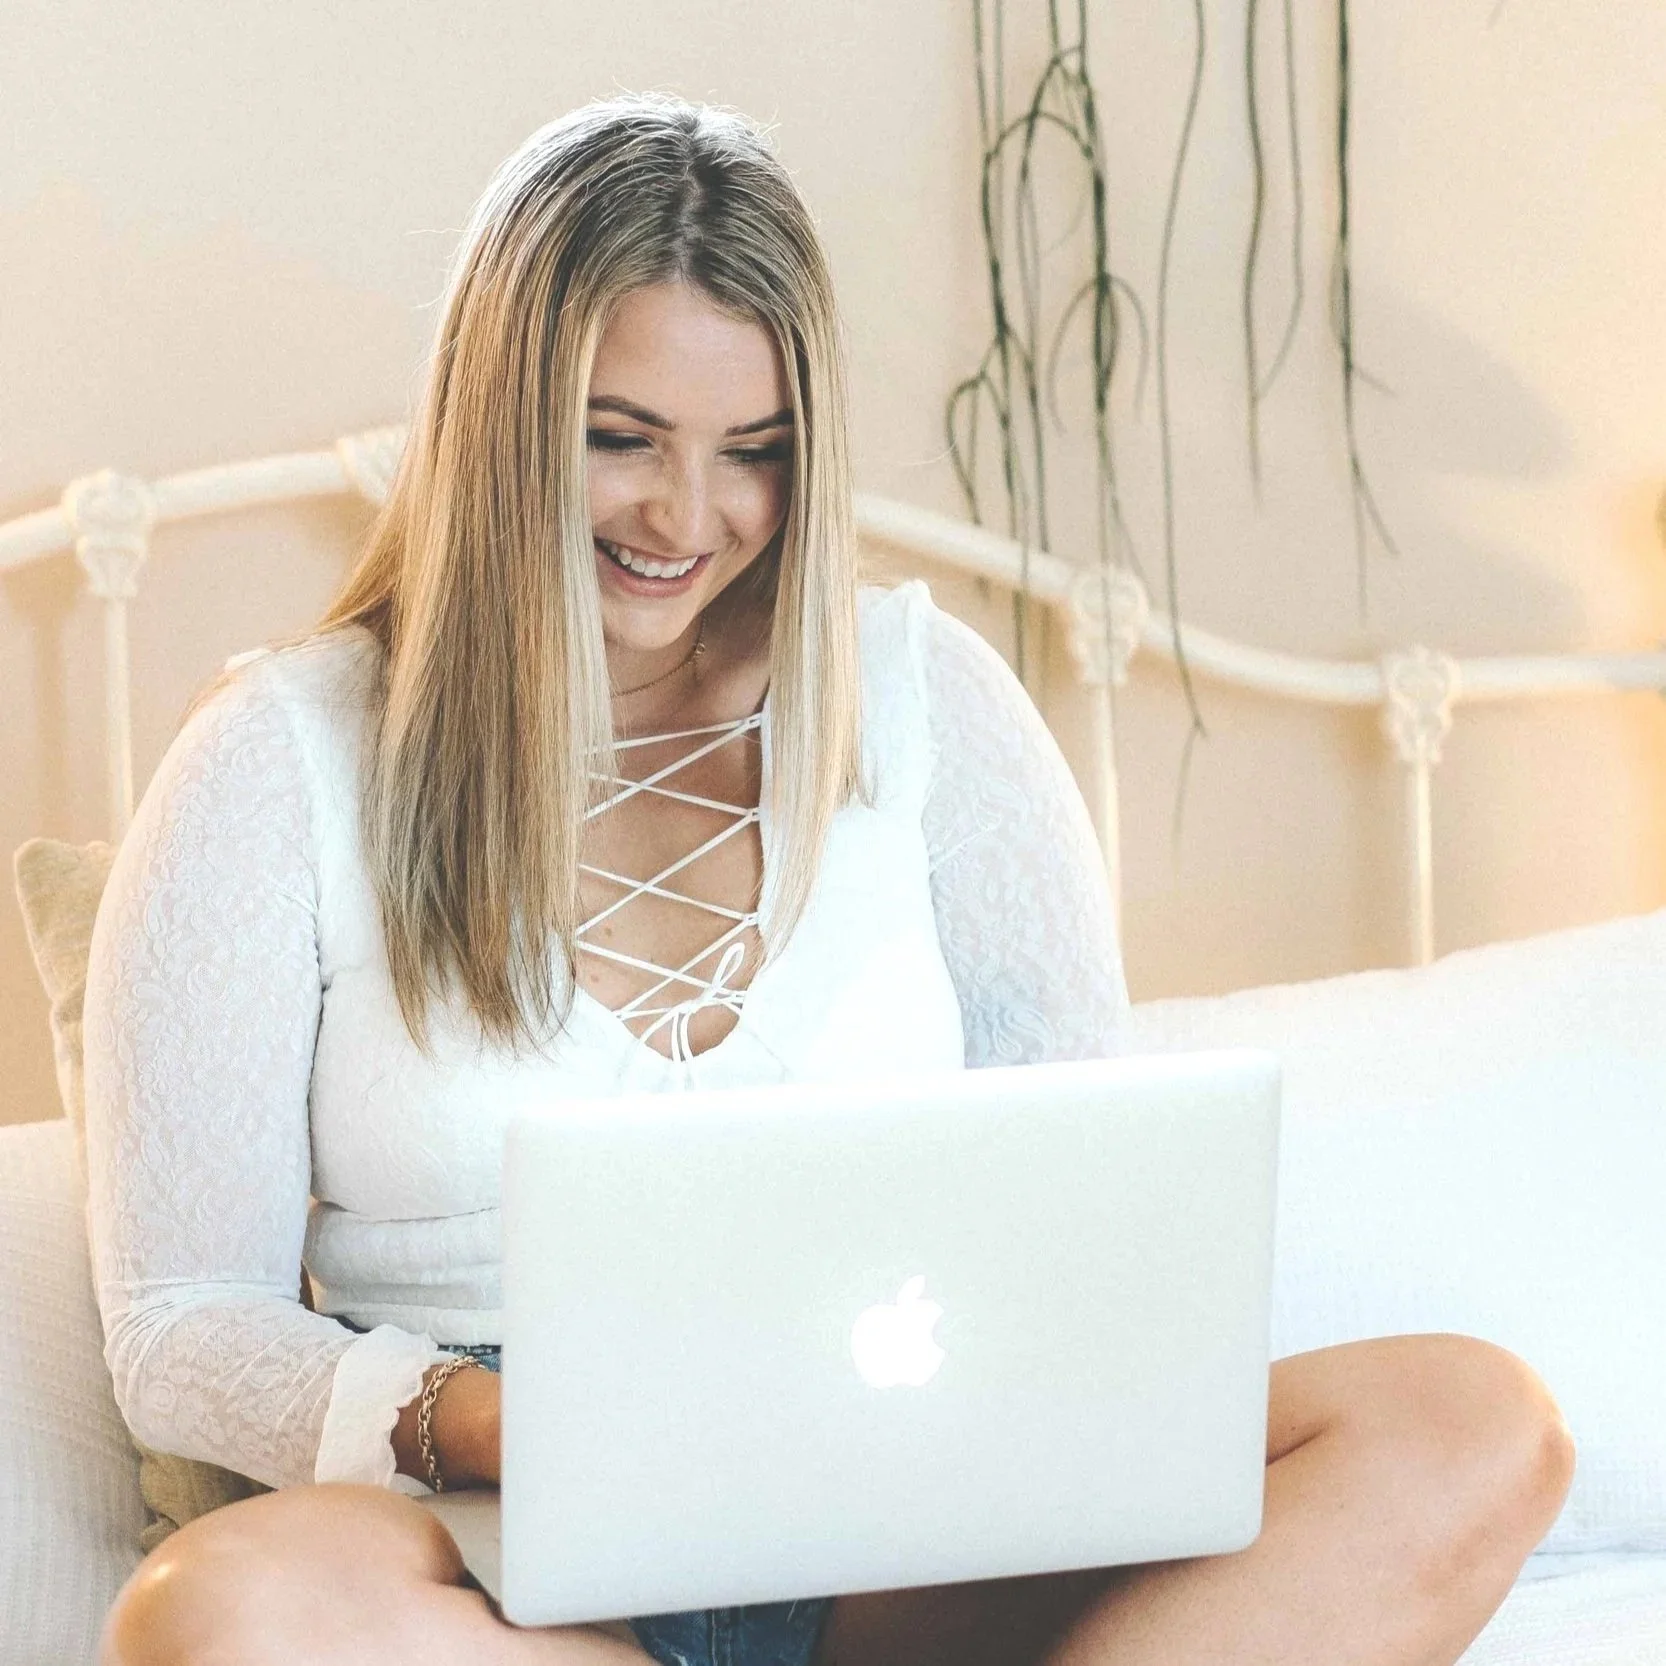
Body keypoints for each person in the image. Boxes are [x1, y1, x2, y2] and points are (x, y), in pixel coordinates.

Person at [86, 94, 1572, 1666]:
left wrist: (957, 1415)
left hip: (905, 1504)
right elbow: (181, 1318)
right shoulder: (281, 756)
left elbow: (1078, 1200)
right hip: (499, 1528)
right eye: (619, 437)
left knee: (1474, 1420)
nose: (687, 516)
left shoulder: (933, 706)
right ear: (496, 418)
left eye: (756, 453)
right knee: (217, 1610)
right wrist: (505, 1424)